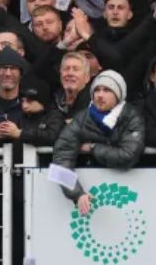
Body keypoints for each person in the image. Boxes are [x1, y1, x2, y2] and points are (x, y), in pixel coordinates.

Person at [51, 70, 145, 216]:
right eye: (97, 90)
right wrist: (77, 194)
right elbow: (60, 160)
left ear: (119, 94)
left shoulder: (132, 117)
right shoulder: (82, 118)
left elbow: (128, 156)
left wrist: (93, 148)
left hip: (130, 194)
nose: (100, 95)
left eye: (107, 90)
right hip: (94, 195)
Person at [2, 77, 64, 146]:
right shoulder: (20, 117)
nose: (24, 106)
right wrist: (2, 134)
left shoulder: (55, 116)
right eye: (22, 101)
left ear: (42, 101)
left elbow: (52, 137)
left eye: (29, 101)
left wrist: (20, 133)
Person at [0, 48, 29, 143]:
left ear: (21, 74)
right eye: (4, 68)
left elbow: (46, 135)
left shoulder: (30, 103)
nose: (8, 73)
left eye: (13, 68)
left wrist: (19, 133)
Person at [54, 51, 92, 122]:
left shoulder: (92, 105)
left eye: (76, 69)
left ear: (87, 77)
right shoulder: (53, 100)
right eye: (66, 69)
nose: (70, 73)